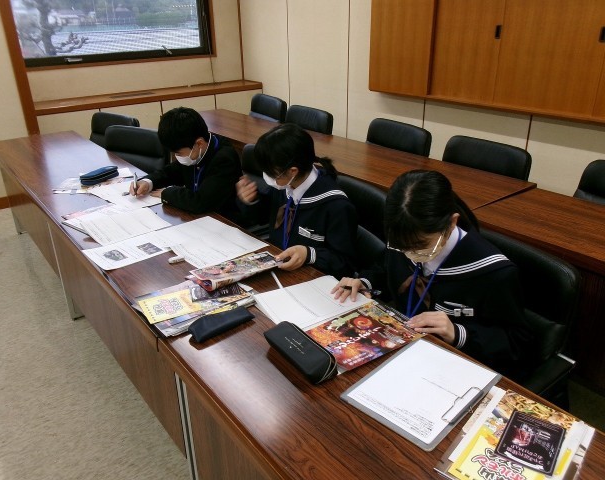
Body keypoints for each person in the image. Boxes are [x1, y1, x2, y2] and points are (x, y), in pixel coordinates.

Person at [331, 170, 532, 379]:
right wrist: (365, 282)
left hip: (455, 366)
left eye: (420, 246)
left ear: (451, 223)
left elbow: (518, 343)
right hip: (401, 350)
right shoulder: (403, 238)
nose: (410, 254)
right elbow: (385, 267)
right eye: (402, 247)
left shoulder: (494, 273)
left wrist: (457, 332)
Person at [236, 123, 357, 279]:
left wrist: (309, 254)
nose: (268, 178)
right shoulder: (284, 185)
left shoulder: (336, 206)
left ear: (292, 171)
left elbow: (345, 264)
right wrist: (251, 200)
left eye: (271, 174)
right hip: (278, 266)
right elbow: (262, 216)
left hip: (311, 278)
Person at [129, 107, 242, 222]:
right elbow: (171, 172)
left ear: (199, 143)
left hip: (223, 221)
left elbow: (201, 202)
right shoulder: (194, 150)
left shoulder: (224, 159)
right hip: (196, 218)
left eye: (178, 153)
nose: (177, 157)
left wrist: (167, 193)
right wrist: (148, 182)